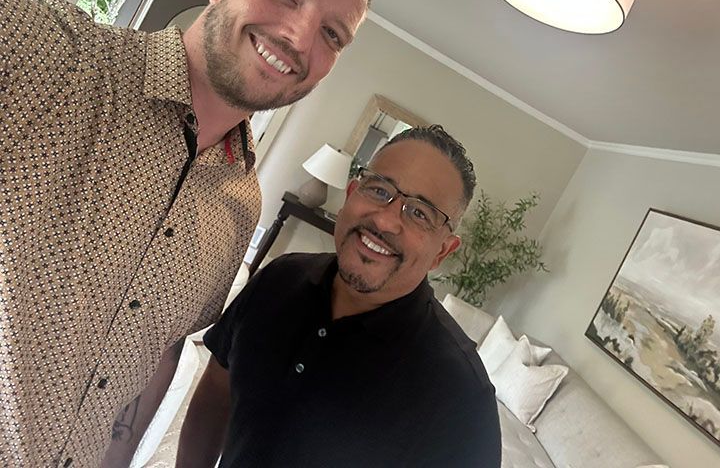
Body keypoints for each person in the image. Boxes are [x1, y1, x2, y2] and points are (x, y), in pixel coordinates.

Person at [0, 0, 374, 467]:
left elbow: (159, 349)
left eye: (331, 33)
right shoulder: (51, 53)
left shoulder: (243, 204)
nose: (299, 37)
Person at [177, 125, 502, 467]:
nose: (387, 220)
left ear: (442, 252)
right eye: (379, 190)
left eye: (420, 213)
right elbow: (216, 389)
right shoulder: (278, 278)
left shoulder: (461, 394)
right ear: (351, 194)